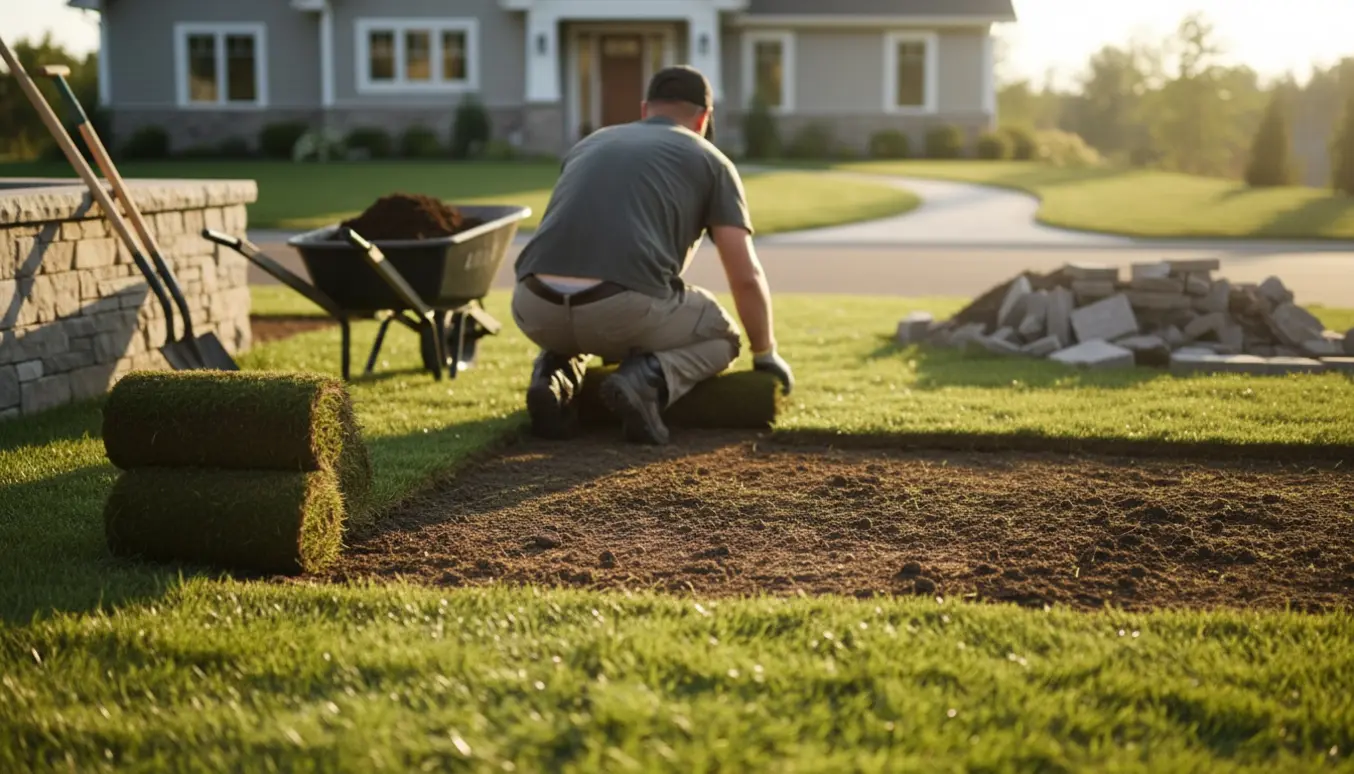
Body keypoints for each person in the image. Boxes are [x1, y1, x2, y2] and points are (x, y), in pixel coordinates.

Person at [511, 64, 793, 445]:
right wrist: (765, 354)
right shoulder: (711, 160)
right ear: (704, 117)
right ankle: (645, 379)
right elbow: (745, 276)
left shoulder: (588, 144)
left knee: (585, 313)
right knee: (723, 336)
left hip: (532, 305)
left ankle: (552, 378)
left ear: (645, 109)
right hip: (620, 310)